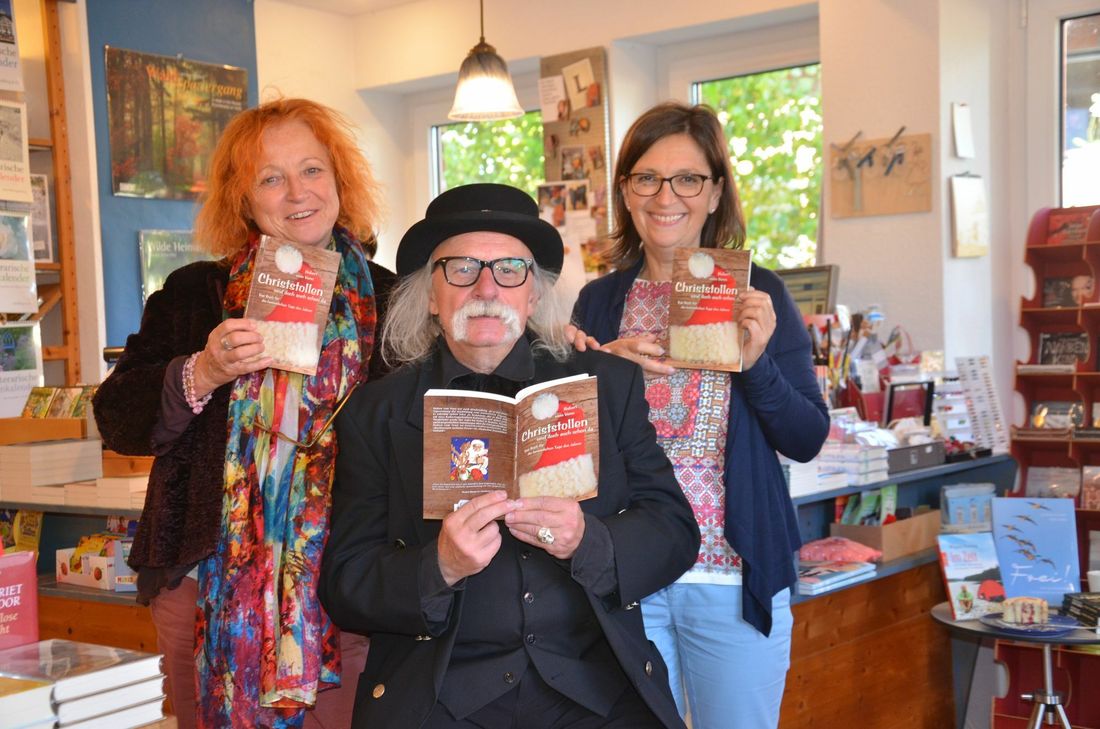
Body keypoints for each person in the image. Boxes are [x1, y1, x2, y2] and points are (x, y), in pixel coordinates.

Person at [318, 183, 700, 729]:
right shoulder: (376, 412)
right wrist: (438, 566)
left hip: (596, 694)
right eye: (461, 269)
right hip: (441, 697)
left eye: (509, 270)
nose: (486, 288)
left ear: (534, 294)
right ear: (430, 294)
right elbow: (345, 583)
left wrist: (588, 541)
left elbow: (675, 531)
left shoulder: (608, 387)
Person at [93, 98, 396, 729]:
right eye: (270, 178)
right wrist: (199, 372)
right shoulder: (194, 293)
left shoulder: (395, 300)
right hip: (204, 585)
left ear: (340, 180)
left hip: (346, 587)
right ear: (243, 198)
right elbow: (117, 417)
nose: (296, 193)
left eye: (311, 170)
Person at [569, 102, 830, 729]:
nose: (667, 196)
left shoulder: (756, 293)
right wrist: (601, 370)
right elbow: (566, 454)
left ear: (715, 193)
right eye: (647, 178)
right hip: (628, 576)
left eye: (688, 179)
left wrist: (755, 364)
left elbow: (807, 437)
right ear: (627, 192)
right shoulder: (600, 301)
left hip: (731, 577)